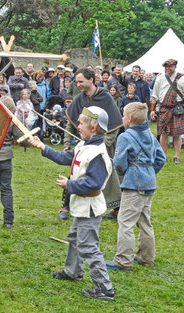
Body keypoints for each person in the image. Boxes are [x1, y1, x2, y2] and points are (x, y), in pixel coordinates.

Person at [29, 106, 115, 301]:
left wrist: (70, 184)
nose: (78, 126)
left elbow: (94, 183)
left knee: (87, 246)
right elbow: (66, 157)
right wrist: (43, 147)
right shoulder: (84, 145)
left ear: (94, 128)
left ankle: (105, 288)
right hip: (81, 205)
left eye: (82, 123)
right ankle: (73, 271)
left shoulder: (98, 154)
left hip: (90, 207)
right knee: (75, 237)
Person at [105, 102, 166, 271]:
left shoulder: (125, 136)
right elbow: (161, 159)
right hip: (149, 183)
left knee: (125, 222)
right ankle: (146, 257)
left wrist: (126, 172)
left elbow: (118, 163)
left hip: (133, 184)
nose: (122, 118)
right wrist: (149, 172)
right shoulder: (149, 133)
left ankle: (123, 260)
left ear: (129, 119)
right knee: (145, 221)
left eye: (123, 115)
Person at [60, 68, 123, 221]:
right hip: (84, 144)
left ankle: (117, 208)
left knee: (108, 177)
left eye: (81, 81)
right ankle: (66, 206)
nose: (78, 84)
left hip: (103, 145)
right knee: (76, 172)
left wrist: (104, 144)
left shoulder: (105, 97)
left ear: (91, 80)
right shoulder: (79, 99)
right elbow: (71, 123)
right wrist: (67, 142)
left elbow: (114, 124)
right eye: (77, 82)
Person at [0, 96, 29, 228]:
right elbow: (23, 139)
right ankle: (8, 221)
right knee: (6, 189)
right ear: (10, 109)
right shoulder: (12, 121)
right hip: (6, 159)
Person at [150, 58, 184, 164]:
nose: (167, 69)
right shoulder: (160, 78)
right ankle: (163, 156)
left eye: (169, 66)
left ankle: (176, 156)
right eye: (166, 67)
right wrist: (152, 110)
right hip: (163, 108)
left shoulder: (182, 79)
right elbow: (154, 96)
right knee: (163, 133)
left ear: (175, 66)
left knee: (177, 134)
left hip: (176, 108)